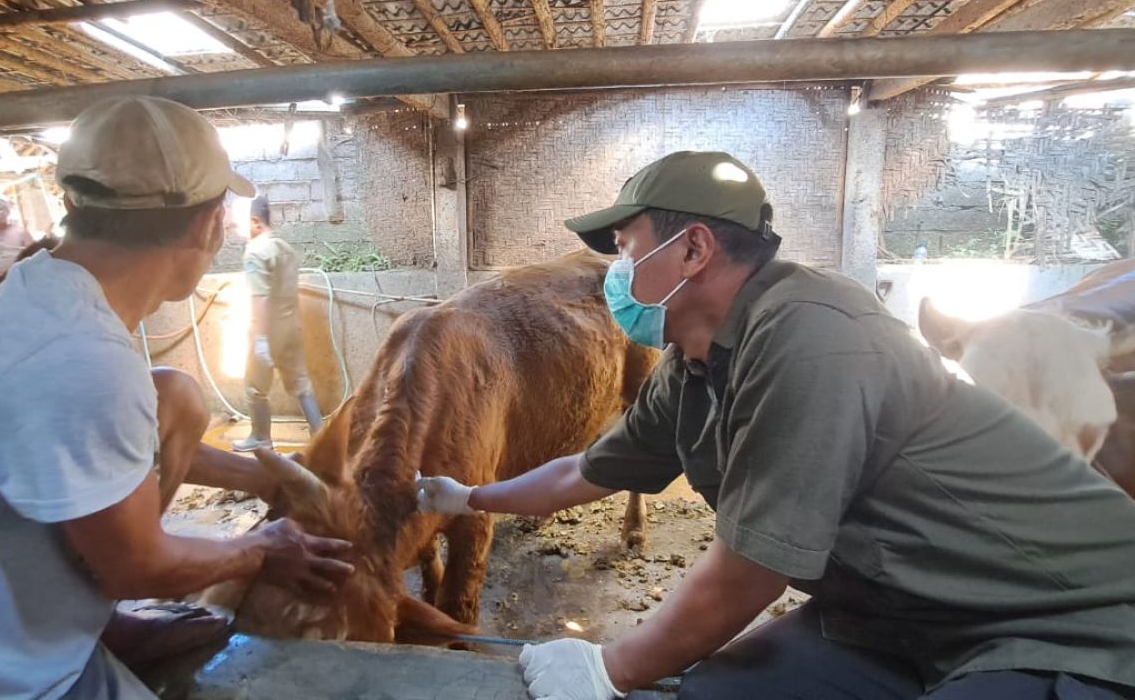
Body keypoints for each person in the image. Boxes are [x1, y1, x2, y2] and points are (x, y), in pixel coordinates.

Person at [416, 150, 1135, 700]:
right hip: (888, 615)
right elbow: (583, 472)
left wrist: (610, 666)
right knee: (719, 691)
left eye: (627, 248)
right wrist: (467, 497)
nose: (615, 271)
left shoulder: (812, 333)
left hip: (1058, 621)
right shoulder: (693, 367)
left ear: (692, 251)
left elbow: (755, 566)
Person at [0, 96, 354, 700]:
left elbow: (107, 453)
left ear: (72, 202)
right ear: (209, 224)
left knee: (174, 393)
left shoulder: (43, 297)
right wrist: (258, 549)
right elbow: (138, 568)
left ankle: (100, 624)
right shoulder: (83, 357)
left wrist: (267, 480)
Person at [231, 193, 323, 452]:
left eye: (239, 224)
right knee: (301, 384)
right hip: (291, 326)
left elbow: (260, 297)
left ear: (255, 222)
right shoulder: (284, 248)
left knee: (254, 388)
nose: (236, 229)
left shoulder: (255, 252)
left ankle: (261, 437)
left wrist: (260, 339)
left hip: (268, 329)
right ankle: (320, 436)